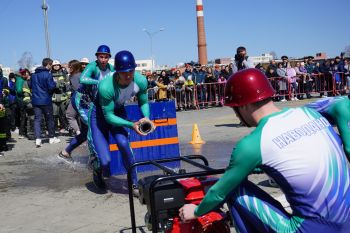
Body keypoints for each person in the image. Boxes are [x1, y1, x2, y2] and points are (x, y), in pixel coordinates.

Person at [179, 68, 350, 232]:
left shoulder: (252, 144)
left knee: (234, 188)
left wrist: (194, 212)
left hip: (308, 230)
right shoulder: (309, 113)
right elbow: (341, 103)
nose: (237, 116)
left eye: (234, 108)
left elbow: (218, 193)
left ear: (243, 106)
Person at [89, 50, 153, 194]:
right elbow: (109, 117)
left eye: (131, 71)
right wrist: (131, 124)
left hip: (118, 111)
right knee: (105, 161)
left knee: (123, 144)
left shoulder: (141, 81)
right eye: (124, 72)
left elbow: (143, 102)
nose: (128, 75)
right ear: (117, 71)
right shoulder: (106, 86)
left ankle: (134, 184)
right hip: (99, 115)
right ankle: (97, 168)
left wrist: (146, 117)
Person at [30, 58, 60, 147]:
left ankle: (38, 139)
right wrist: (54, 84)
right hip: (46, 100)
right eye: (51, 65)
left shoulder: (33, 75)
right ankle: (51, 138)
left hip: (36, 100)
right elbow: (51, 87)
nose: (51, 67)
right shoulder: (48, 74)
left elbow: (30, 86)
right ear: (48, 65)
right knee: (49, 119)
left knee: (37, 119)